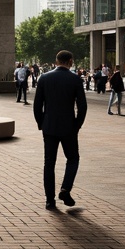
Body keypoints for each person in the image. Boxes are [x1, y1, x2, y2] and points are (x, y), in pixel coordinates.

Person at [33, 50, 87, 211]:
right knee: (73, 159)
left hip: (49, 126)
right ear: (70, 61)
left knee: (49, 163)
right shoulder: (75, 79)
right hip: (69, 126)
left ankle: (50, 201)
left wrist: (41, 123)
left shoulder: (44, 78)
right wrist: (77, 124)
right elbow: (82, 106)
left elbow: (37, 105)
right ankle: (65, 189)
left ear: (56, 61)